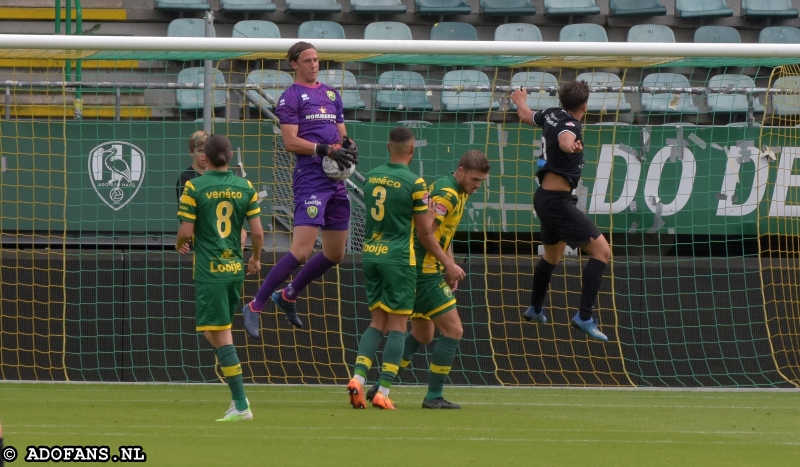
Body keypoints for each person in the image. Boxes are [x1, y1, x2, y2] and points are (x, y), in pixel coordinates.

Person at [242, 41, 357, 335]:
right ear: (294, 64)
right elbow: (291, 142)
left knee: (335, 253)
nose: (314, 65)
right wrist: (324, 150)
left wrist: (348, 147)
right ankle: (255, 304)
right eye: (307, 60)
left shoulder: (332, 94)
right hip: (311, 178)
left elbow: (342, 136)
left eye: (316, 60)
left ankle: (289, 294)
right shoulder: (290, 97)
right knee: (301, 251)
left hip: (336, 179)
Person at [346, 126, 465, 410]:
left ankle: (358, 378)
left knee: (377, 322)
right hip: (399, 259)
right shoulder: (417, 183)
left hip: (370, 253)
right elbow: (426, 232)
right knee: (398, 326)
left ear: (388, 147)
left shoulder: (372, 176)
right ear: (412, 151)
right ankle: (383, 391)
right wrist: (448, 262)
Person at [365, 150, 489, 409]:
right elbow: (426, 235)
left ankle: (381, 385)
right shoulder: (448, 194)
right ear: (461, 171)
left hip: (424, 268)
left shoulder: (455, 189)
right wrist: (448, 266)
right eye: (475, 179)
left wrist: (450, 263)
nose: (477, 186)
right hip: (423, 271)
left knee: (423, 334)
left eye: (481, 181)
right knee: (454, 330)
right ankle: (434, 396)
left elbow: (445, 233)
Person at [510, 81, 611, 341]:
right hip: (558, 202)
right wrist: (571, 146)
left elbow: (524, 115)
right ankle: (585, 316)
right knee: (602, 252)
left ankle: (535, 308)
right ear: (585, 106)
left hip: (544, 198)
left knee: (552, 256)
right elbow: (565, 139)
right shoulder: (571, 126)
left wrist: (520, 99)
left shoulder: (552, 113)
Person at [177, 134, 264, 421]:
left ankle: (241, 404)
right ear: (227, 156)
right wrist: (255, 257)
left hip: (209, 272)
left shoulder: (194, 186)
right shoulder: (245, 186)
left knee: (222, 335)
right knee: (210, 332)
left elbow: (186, 232)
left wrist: (180, 245)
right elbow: (257, 232)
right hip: (233, 270)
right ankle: (238, 398)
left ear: (207, 156)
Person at [176, 130, 248, 249]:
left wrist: (241, 230)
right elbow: (186, 214)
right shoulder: (186, 179)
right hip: (201, 241)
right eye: (199, 151)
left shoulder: (219, 175)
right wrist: (184, 238)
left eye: (206, 151)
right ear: (191, 153)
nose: (204, 155)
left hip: (223, 238)